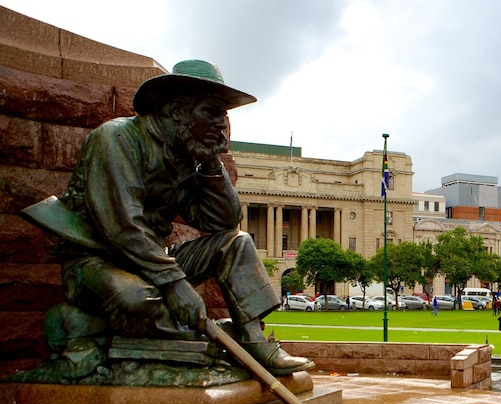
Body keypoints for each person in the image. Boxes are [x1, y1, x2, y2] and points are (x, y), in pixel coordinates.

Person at [41, 60, 313, 375]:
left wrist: (212, 163)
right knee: (139, 299)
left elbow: (222, 221)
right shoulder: (116, 138)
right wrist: (174, 283)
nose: (221, 124)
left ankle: (253, 339)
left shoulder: (187, 155)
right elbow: (122, 226)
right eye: (211, 112)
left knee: (236, 243)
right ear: (178, 111)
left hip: (151, 262)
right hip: (96, 262)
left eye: (224, 116)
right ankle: (207, 341)